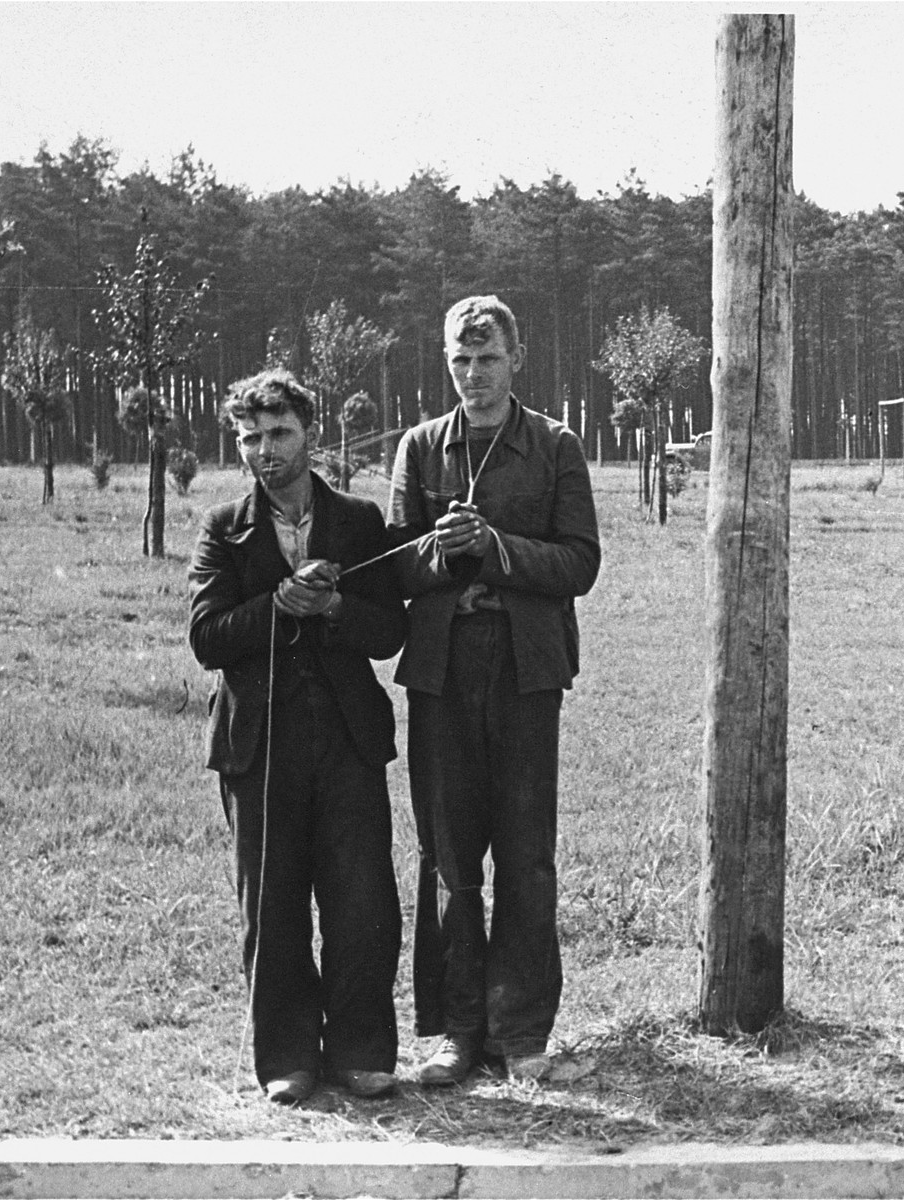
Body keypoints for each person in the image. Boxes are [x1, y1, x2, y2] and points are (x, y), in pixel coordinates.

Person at [388, 295, 600, 1085]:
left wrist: (498, 547)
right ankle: (455, 1035)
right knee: (449, 859)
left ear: (516, 360)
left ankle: (521, 1035)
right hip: (441, 676)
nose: (473, 375)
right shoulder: (420, 449)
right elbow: (396, 570)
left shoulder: (554, 447)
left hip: (524, 674)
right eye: (460, 360)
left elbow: (580, 562)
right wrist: (436, 555)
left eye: (488, 359)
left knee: (524, 856)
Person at [189, 369, 406, 1105]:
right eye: (249, 437)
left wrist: (338, 606)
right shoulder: (224, 527)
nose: (264, 450)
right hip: (258, 744)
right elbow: (208, 638)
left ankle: (363, 1048)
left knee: (361, 896)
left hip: (347, 738)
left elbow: (391, 631)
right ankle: (287, 1055)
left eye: (278, 433)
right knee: (272, 902)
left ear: (310, 432)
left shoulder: (359, 521)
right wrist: (280, 604)